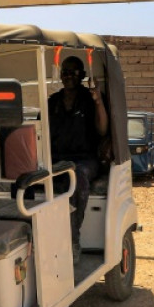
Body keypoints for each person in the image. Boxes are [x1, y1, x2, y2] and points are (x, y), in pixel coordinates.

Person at [48, 56, 108, 261]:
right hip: (57, 159)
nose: (68, 76)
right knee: (29, 178)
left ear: (82, 75)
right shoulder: (52, 102)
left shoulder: (90, 99)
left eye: (73, 72)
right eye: (65, 72)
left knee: (78, 177)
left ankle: (73, 238)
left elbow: (102, 130)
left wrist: (98, 101)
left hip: (84, 160)